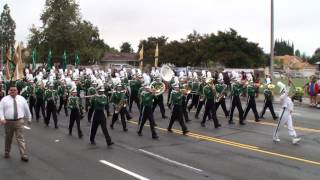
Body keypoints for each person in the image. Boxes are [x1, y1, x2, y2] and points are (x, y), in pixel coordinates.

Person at [0, 83, 32, 162]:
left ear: (17, 91)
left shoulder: (22, 99)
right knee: (8, 138)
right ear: (8, 91)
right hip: (8, 122)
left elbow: (26, 109)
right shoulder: (4, 100)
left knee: (20, 138)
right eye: (11, 90)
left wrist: (29, 118)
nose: (13, 91)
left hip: (19, 121)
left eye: (14, 90)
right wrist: (2, 118)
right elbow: (0, 110)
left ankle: (23, 155)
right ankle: (7, 152)